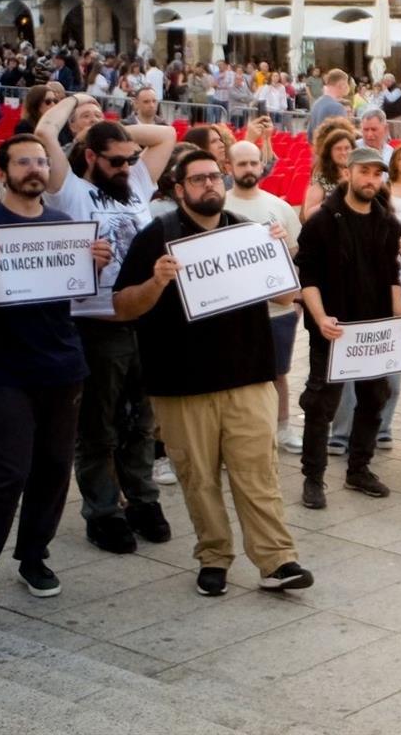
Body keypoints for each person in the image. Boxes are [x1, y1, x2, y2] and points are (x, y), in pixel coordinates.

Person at [112, 148, 312, 597]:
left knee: (258, 472)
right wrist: (157, 281)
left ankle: (277, 561)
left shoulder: (247, 233)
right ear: (179, 189)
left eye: (214, 177)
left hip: (248, 376)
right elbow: (123, 305)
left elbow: (285, 297)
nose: (209, 185)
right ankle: (214, 558)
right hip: (182, 384)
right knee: (198, 478)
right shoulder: (156, 237)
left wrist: (277, 252)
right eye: (198, 179)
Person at [0, 134, 112, 618]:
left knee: (54, 470)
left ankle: (33, 556)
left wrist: (93, 264)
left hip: (63, 366)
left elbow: (73, 292)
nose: (34, 169)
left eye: (40, 161)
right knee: (6, 472)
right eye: (23, 162)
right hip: (4, 371)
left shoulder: (64, 226)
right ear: (2, 171)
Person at [38, 95, 177, 555]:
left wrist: (116, 132)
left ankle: (143, 499)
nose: (126, 165)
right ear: (92, 158)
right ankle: (102, 510)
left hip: (144, 319)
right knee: (98, 426)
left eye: (130, 160)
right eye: (114, 160)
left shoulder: (135, 182)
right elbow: (43, 135)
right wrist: (78, 111)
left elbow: (166, 134)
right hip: (95, 322)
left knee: (141, 421)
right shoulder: (71, 190)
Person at [295, 147, 401, 509]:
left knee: (375, 398)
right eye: (364, 172)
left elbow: (393, 277)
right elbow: (307, 277)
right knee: (321, 404)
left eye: (377, 174)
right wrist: (320, 317)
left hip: (373, 332)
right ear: (348, 172)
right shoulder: (322, 221)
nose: (370, 180)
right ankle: (313, 478)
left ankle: (359, 468)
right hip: (333, 329)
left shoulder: (388, 224)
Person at [222, 140, 304, 451]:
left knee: (278, 372)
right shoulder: (221, 206)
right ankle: (235, 437)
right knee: (234, 375)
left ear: (261, 165)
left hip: (276, 311)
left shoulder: (279, 207)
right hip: (232, 311)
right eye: (241, 164)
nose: (249, 169)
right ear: (229, 167)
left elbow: (297, 256)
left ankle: (283, 427)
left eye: (254, 163)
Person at [304, 124, 357, 221]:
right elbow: (308, 215)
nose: (344, 152)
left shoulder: (359, 176)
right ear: (330, 152)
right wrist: (335, 198)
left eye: (347, 148)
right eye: (338, 149)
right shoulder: (322, 180)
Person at [307, 69, 349, 140]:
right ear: (341, 84)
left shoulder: (316, 103)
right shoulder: (337, 107)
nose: (347, 87)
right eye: (346, 84)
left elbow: (310, 135)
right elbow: (342, 138)